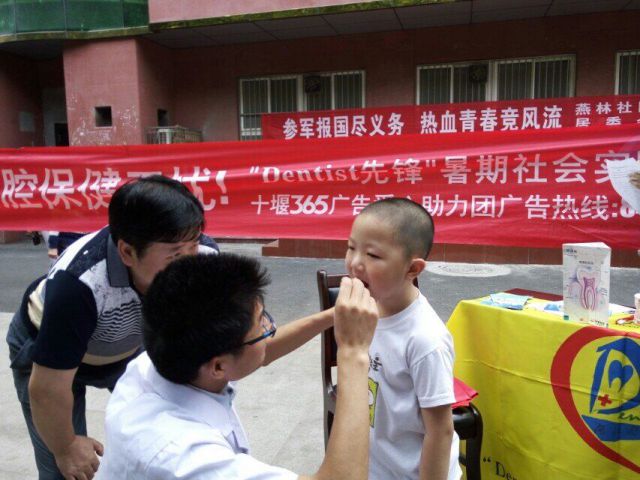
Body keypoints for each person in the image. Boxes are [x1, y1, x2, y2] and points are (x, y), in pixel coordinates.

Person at [6, 175, 219, 480]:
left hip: (126, 346)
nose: (187, 262)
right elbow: (47, 389)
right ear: (128, 252)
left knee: (165, 439)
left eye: (192, 245)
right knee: (65, 470)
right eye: (174, 254)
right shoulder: (80, 285)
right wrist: (65, 446)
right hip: (46, 346)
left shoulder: (203, 256)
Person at [97, 253, 378, 480]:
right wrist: (353, 352)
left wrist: (333, 316)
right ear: (218, 367)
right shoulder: (186, 457)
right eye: (261, 324)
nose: (271, 327)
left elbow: (262, 349)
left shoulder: (164, 359)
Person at [345, 198, 461, 480]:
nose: (355, 263)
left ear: (412, 270)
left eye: (373, 256)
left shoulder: (425, 340)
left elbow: (440, 431)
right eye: (351, 247)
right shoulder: (368, 310)